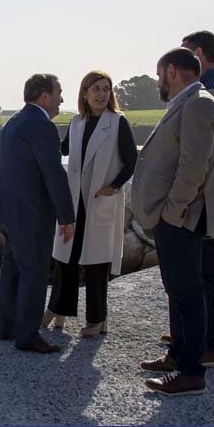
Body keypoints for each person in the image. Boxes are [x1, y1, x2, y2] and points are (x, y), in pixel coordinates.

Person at [132, 47, 214, 396]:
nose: (158, 82)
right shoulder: (189, 103)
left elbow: (193, 168)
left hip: (183, 219)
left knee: (187, 294)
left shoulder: (198, 104)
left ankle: (191, 373)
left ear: (172, 71)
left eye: (159, 75)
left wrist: (172, 213)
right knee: (179, 292)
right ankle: (177, 354)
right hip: (178, 218)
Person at [0, 73, 75, 354]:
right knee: (33, 273)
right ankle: (28, 337)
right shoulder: (41, 126)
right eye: (59, 92)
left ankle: (7, 329)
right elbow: (53, 173)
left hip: (9, 215)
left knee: (11, 271)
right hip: (33, 216)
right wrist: (67, 216)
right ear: (44, 96)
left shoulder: (10, 125)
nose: (62, 99)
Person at [43, 70, 137, 337]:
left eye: (106, 89)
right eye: (95, 88)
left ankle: (97, 318)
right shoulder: (76, 122)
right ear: (84, 93)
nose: (101, 93)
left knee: (97, 263)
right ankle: (58, 309)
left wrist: (113, 186)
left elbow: (131, 160)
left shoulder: (118, 123)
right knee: (66, 257)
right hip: (75, 200)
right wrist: (36, 134)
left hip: (99, 200)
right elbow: (61, 149)